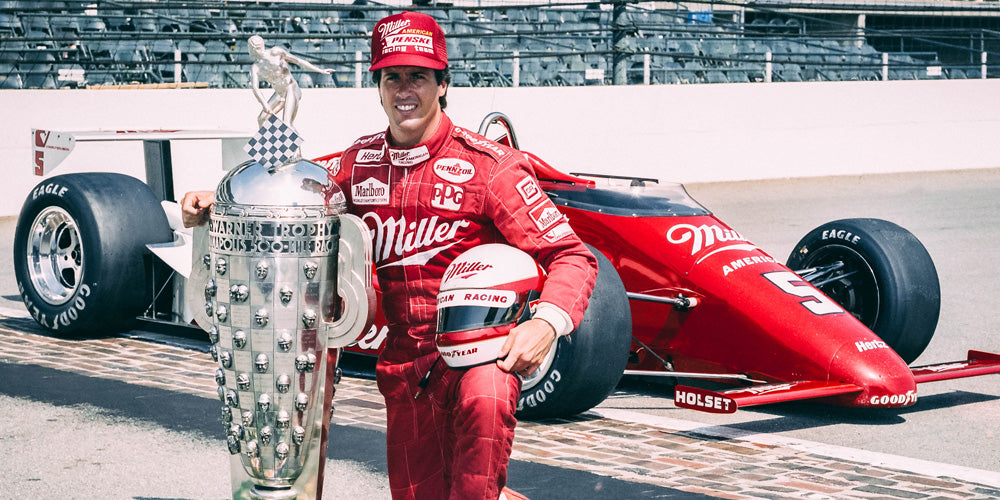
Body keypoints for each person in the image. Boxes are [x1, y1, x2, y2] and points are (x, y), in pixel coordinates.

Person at [183, 12, 597, 500]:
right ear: (377, 86)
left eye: (418, 76)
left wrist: (545, 325)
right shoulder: (356, 165)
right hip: (404, 365)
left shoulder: (491, 167)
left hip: (480, 354)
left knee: (479, 443)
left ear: (442, 85)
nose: (405, 89)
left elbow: (573, 256)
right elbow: (294, 193)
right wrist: (220, 201)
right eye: (392, 76)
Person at [247, 35, 334, 131]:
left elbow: (298, 61)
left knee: (287, 123)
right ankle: (268, 143)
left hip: (290, 88)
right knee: (261, 119)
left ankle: (297, 146)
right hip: (279, 93)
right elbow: (255, 88)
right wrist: (264, 104)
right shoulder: (256, 67)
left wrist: (320, 70)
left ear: (253, 48)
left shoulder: (275, 52)